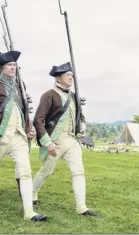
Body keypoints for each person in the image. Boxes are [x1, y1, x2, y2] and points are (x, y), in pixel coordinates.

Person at [0, 50, 47, 222]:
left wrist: (29, 127)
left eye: (14, 64)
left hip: (19, 136)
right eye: (9, 64)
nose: (13, 67)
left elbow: (24, 110)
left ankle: (29, 212)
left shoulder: (20, 85)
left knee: (25, 173)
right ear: (1, 67)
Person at [32, 62, 98, 217]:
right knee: (46, 171)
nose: (71, 78)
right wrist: (47, 143)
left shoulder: (73, 96)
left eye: (71, 75)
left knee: (79, 171)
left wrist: (81, 124)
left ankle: (82, 207)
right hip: (54, 140)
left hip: (71, 139)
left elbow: (79, 115)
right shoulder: (49, 95)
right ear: (58, 78)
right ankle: (32, 192)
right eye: (68, 75)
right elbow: (38, 120)